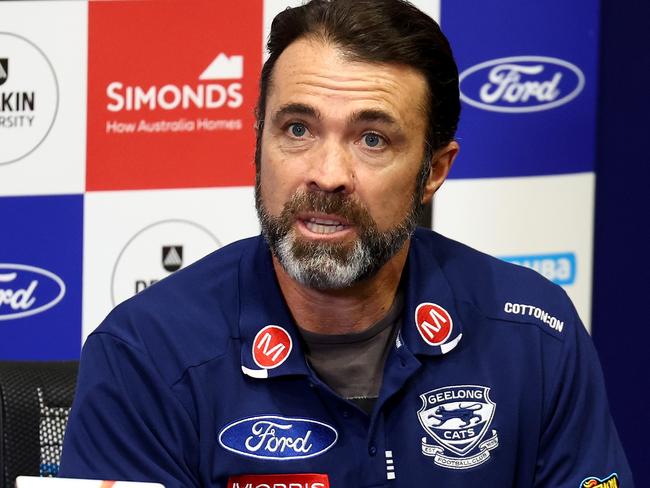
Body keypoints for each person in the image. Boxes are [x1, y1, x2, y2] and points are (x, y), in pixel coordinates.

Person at [59, 1, 634, 487]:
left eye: (372, 139)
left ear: (434, 169)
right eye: (298, 129)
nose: (327, 173)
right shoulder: (143, 354)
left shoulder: (534, 335)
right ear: (259, 142)